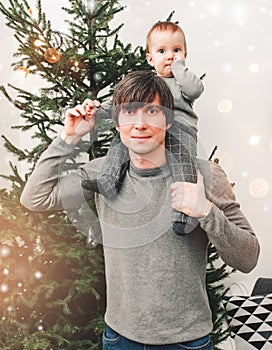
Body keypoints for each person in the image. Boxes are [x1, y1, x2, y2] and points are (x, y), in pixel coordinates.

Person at [20, 70, 260, 350]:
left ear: (168, 120)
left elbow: (248, 258)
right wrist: (68, 138)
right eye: (130, 111)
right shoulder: (100, 175)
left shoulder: (205, 175)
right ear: (118, 122)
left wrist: (206, 211)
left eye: (152, 110)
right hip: (119, 339)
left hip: (188, 342)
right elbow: (35, 198)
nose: (140, 123)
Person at [84, 21, 205, 236]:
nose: (170, 56)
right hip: (151, 135)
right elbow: (120, 106)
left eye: (176, 50)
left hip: (180, 132)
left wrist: (179, 67)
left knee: (183, 164)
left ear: (185, 54)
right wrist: (94, 111)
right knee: (119, 143)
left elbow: (195, 89)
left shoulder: (182, 82)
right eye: (162, 51)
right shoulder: (148, 86)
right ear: (150, 58)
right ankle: (108, 181)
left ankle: (183, 215)